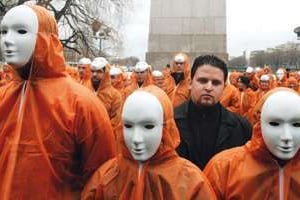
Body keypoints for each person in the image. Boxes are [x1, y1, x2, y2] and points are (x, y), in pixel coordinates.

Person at [0, 5, 116, 199]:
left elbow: (102, 179)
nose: (8, 40)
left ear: (46, 38)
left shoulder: (82, 104)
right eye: (3, 31)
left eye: (21, 31)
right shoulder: (3, 97)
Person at [81, 85, 217, 199]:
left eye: (148, 126)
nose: (136, 139)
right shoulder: (106, 177)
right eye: (128, 126)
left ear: (166, 127)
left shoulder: (191, 181)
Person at [204, 88, 300, 199]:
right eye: (275, 123)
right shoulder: (224, 168)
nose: (287, 137)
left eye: (297, 124)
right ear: (259, 123)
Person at [175, 55, 252, 169]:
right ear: (190, 83)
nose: (209, 87)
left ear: (224, 87)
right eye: (202, 81)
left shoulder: (241, 127)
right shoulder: (170, 123)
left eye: (216, 83)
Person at [90, 57, 123, 140]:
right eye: (92, 71)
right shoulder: (84, 90)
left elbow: (116, 119)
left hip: (105, 138)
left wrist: (101, 133)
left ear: (106, 73)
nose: (94, 74)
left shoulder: (115, 95)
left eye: (99, 72)